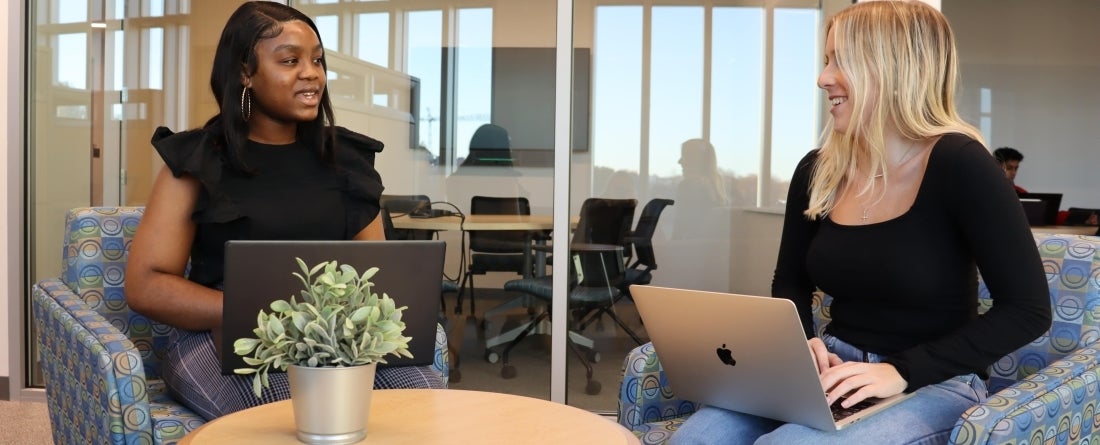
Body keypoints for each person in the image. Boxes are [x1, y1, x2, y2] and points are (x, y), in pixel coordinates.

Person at [670, 2, 1051, 444]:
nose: (823, 77)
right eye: (825, 61)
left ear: (894, 68)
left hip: (932, 382)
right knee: (695, 439)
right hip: (830, 368)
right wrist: (799, 343)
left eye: (840, 61)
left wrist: (899, 371)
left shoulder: (962, 165)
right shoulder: (818, 169)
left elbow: (1028, 310)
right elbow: (789, 279)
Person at [124, 1, 444, 421]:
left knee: (417, 403)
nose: (311, 73)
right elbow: (146, 285)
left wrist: (337, 327)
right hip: (220, 338)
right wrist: (261, 314)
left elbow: (375, 273)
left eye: (317, 60)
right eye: (290, 60)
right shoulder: (197, 161)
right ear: (244, 72)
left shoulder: (347, 160)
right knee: (298, 413)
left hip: (333, 338)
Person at [673, 138, 730, 239]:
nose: (679, 161)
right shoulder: (717, 188)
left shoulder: (688, 186)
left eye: (684, 156)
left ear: (694, 160)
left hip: (689, 249)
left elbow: (680, 230)